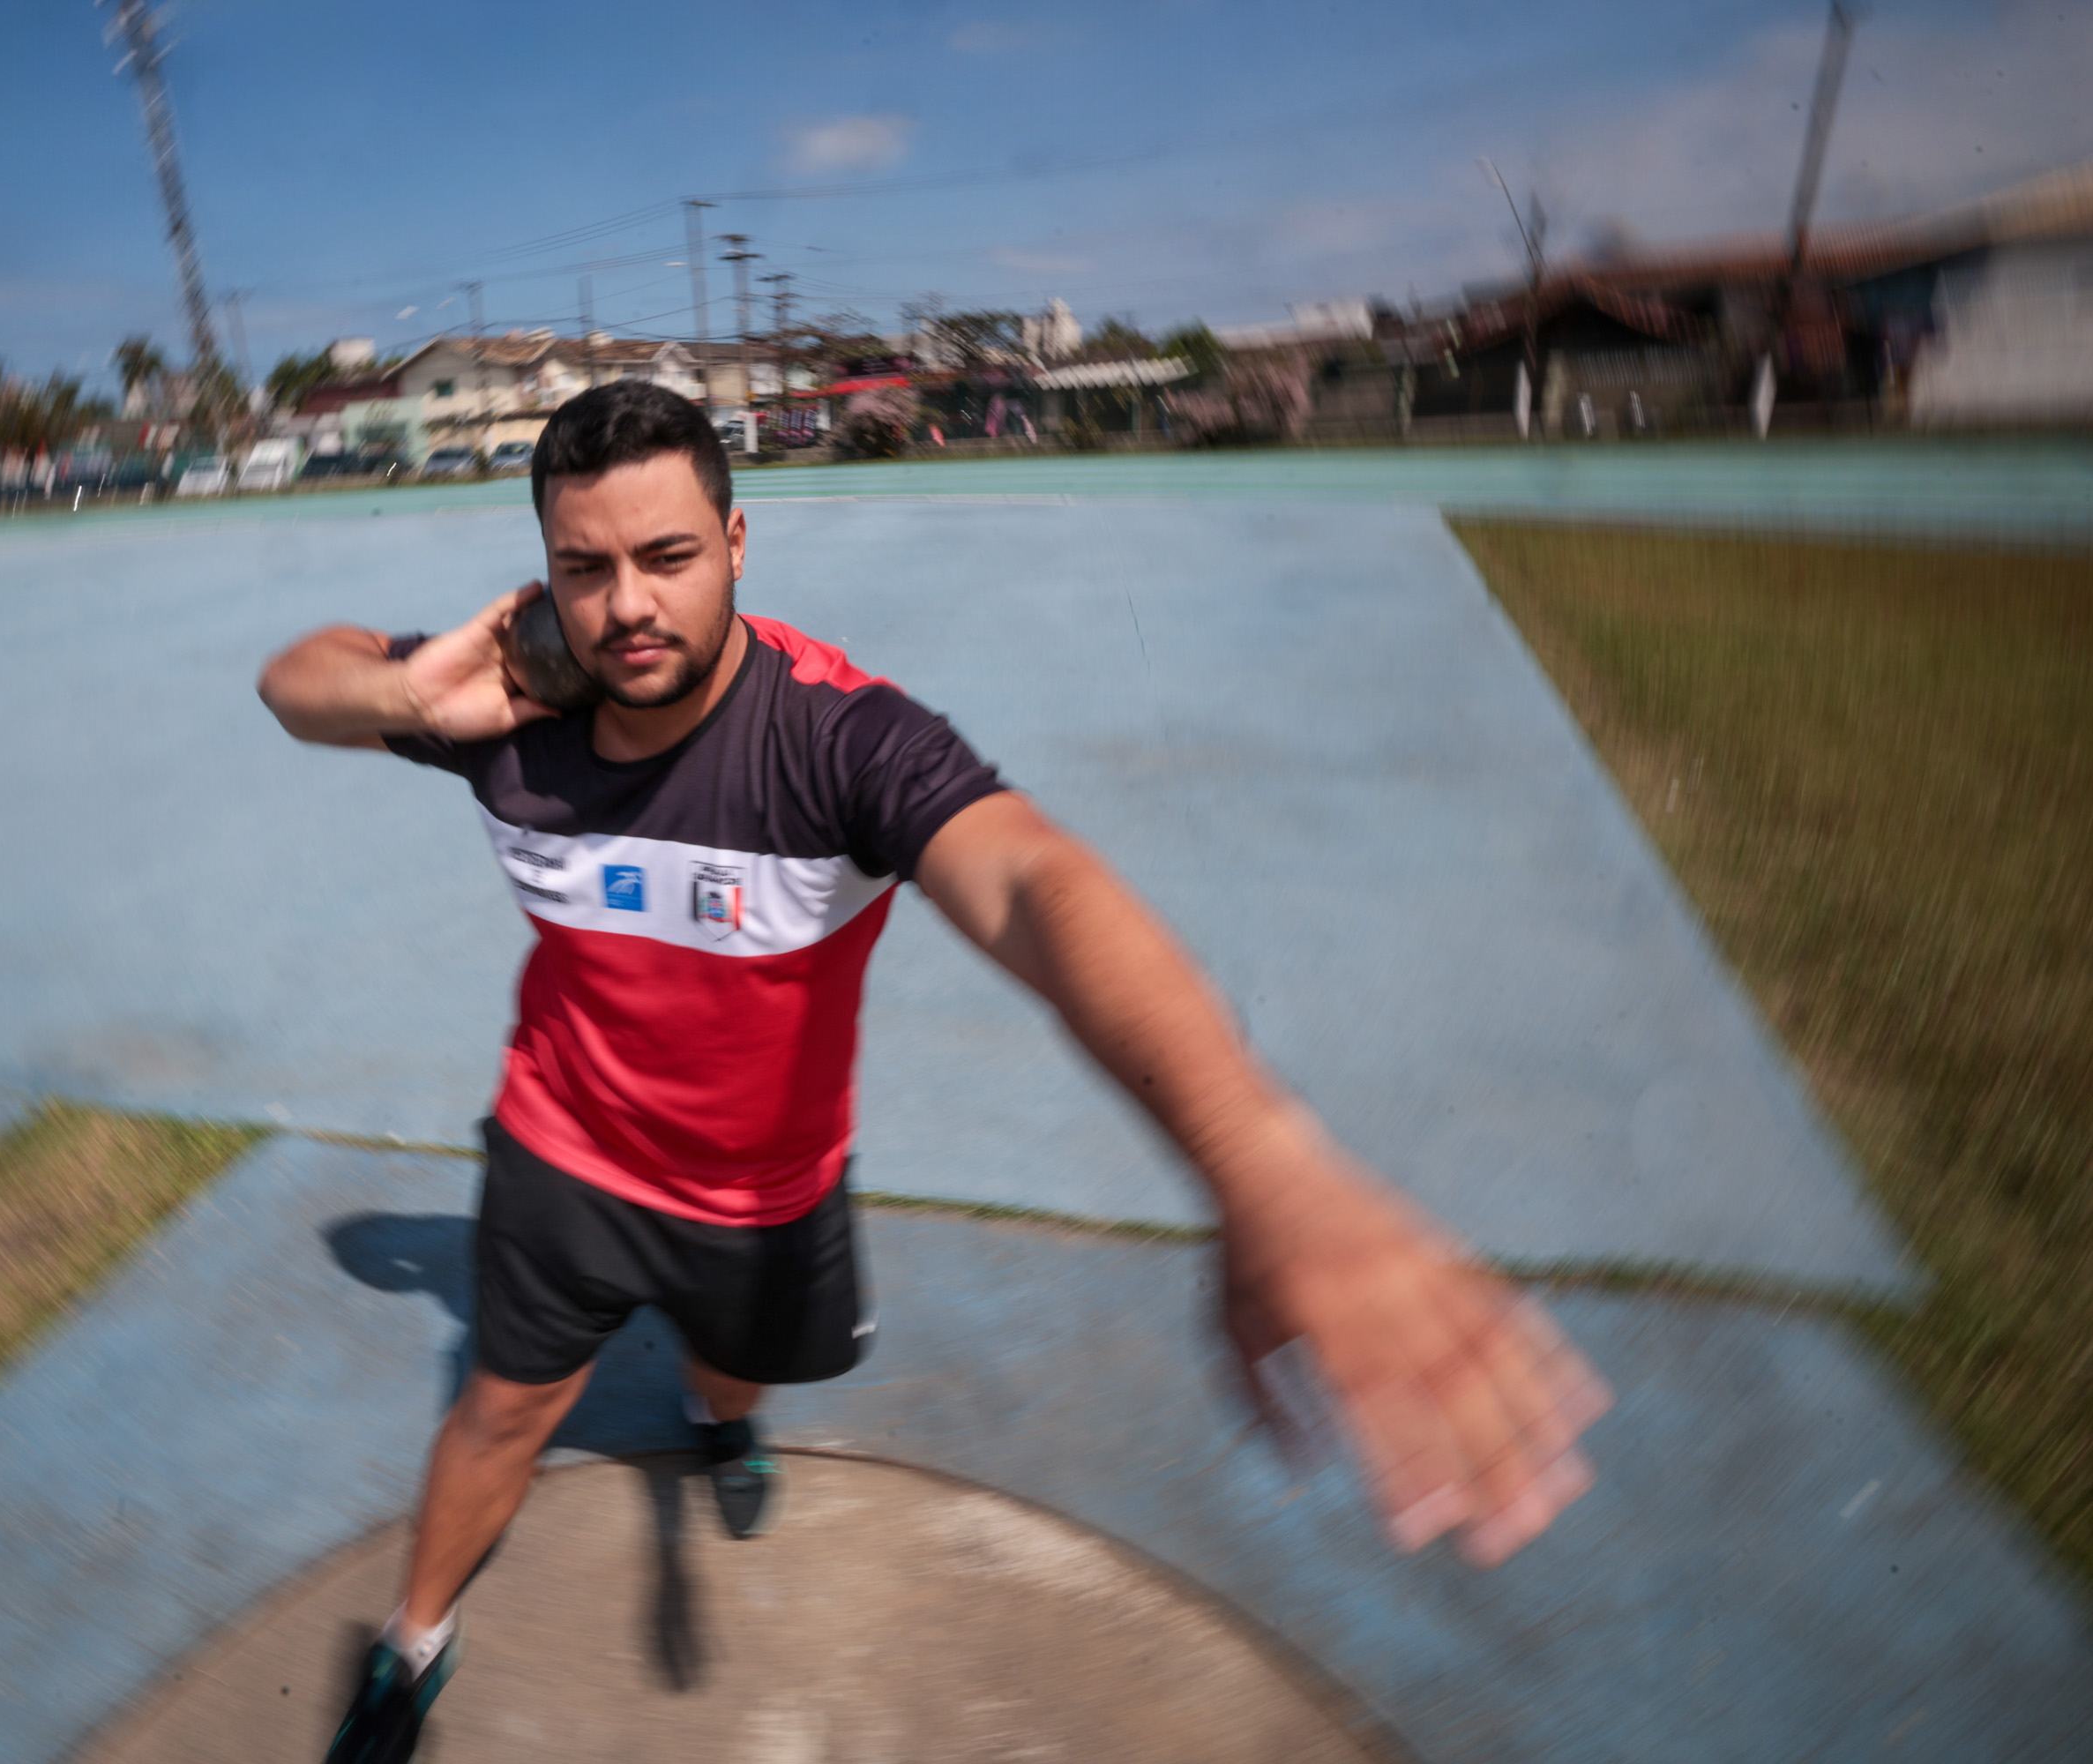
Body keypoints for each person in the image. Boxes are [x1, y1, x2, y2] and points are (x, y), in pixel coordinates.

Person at [258, 383, 1609, 1763]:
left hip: (763, 1186)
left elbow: (1031, 883)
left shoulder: (841, 741)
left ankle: (720, 1425)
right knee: (497, 1411)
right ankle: (414, 1643)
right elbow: (291, 681)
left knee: (730, 1378)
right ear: (545, 574)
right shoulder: (506, 706)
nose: (627, 608)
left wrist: (1261, 1158)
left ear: (736, 542)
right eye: (586, 569)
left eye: (667, 558)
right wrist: (398, 693)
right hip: (567, 1151)